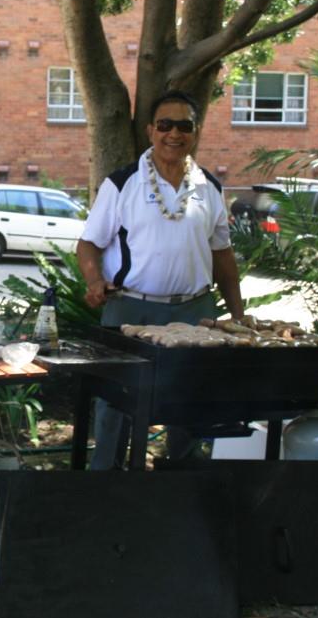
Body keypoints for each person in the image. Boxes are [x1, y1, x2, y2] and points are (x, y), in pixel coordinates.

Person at [76, 89, 244, 469]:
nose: (174, 133)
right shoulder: (122, 183)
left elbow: (222, 255)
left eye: (184, 126)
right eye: (165, 125)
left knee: (192, 399)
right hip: (130, 310)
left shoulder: (209, 187)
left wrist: (237, 316)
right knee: (115, 403)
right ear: (151, 130)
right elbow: (88, 244)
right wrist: (94, 281)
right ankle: (105, 479)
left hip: (195, 312)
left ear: (195, 132)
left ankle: (180, 476)